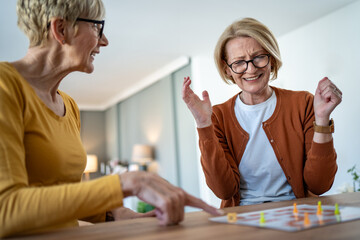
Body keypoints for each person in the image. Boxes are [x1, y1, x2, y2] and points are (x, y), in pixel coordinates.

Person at [0, 0, 221, 237]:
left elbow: (65, 193)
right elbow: (6, 210)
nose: (104, 41)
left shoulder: (70, 106)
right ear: (61, 29)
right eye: (97, 28)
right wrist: (125, 183)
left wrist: (114, 214)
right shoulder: (6, 87)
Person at [182, 18, 342, 208]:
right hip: (242, 218)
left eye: (258, 57)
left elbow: (320, 184)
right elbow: (223, 190)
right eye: (239, 62)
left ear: (272, 59)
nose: (250, 68)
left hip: (297, 214)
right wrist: (203, 125)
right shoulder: (217, 116)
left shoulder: (304, 103)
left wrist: (322, 120)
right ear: (227, 70)